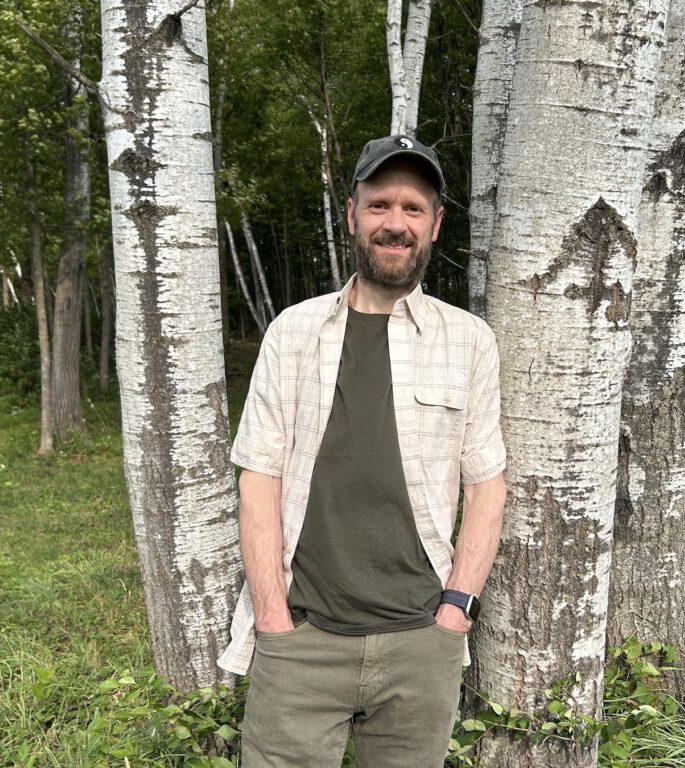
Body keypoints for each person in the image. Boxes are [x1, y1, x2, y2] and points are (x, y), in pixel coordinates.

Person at [217, 134, 507, 768]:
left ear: (435, 223)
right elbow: (257, 478)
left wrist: (456, 611)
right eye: (379, 205)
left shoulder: (469, 341)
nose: (394, 223)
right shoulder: (292, 333)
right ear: (352, 215)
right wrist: (271, 616)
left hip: (421, 643)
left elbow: (486, 483)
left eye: (412, 208)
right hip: (301, 639)